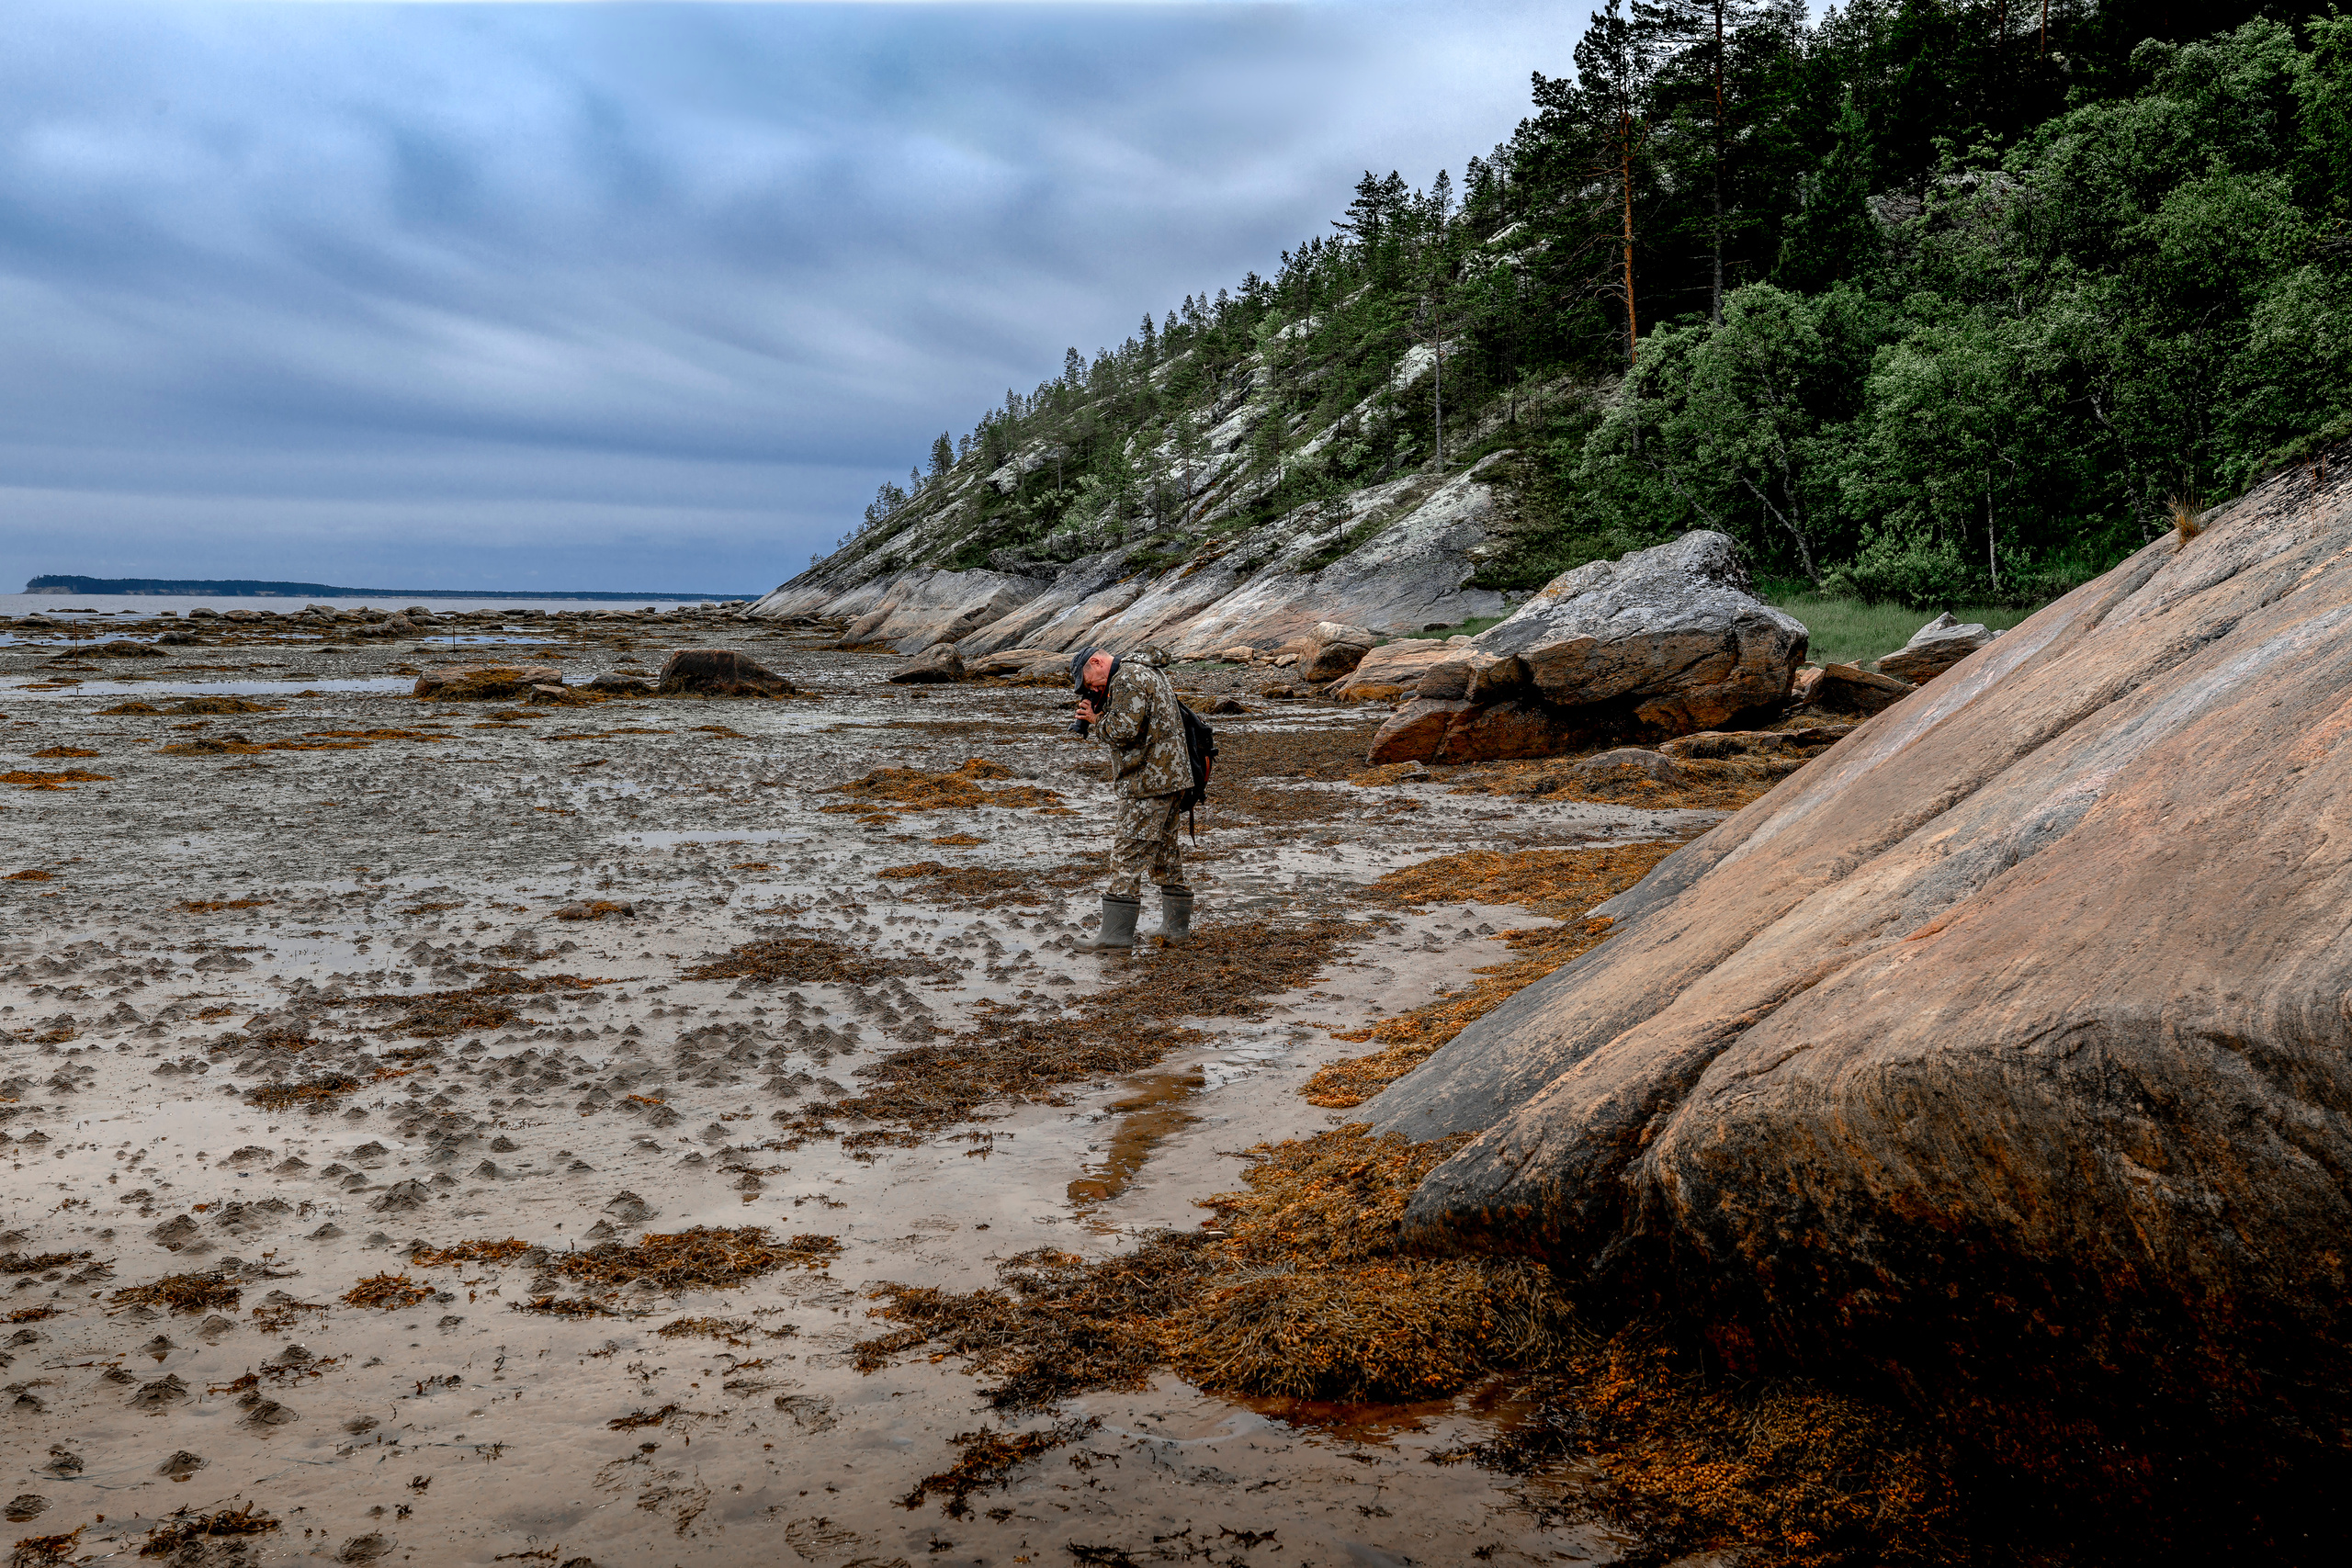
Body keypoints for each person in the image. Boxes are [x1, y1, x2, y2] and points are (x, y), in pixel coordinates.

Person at [1071, 643, 1193, 948]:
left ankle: (1115, 936)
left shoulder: (1128, 677)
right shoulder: (1148, 671)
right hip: (1171, 777)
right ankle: (1175, 930)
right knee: (1165, 853)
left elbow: (1124, 731)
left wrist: (1096, 721)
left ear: (1097, 662)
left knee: (1126, 854)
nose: (1093, 689)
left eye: (1089, 683)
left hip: (1147, 782)